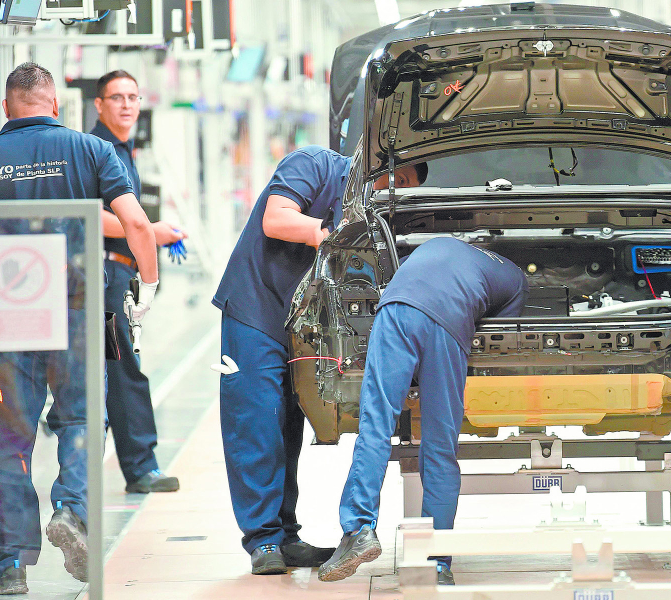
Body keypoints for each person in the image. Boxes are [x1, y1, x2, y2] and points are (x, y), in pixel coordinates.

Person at [0, 63, 159, 594]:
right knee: (81, 420)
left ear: (6, 108)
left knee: (9, 438)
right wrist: (149, 285)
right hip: (75, 308)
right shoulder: (91, 151)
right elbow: (137, 223)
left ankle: (8, 564)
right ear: (55, 105)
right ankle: (71, 510)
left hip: (9, 316)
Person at [212, 145, 427, 575]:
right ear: (381, 163)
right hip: (257, 310)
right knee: (256, 421)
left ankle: (285, 535)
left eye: (405, 189)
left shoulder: (374, 214)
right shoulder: (314, 164)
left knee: (290, 424)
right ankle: (262, 540)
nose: (395, 191)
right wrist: (327, 233)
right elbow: (276, 219)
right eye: (399, 180)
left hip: (306, 324)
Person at [318, 237, 527, 585]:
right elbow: (500, 343)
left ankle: (358, 531)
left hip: (396, 309)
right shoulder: (516, 279)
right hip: (449, 323)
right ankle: (438, 562)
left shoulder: (437, 243)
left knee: (375, 428)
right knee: (440, 448)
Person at [90, 69, 186, 494]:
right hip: (107, 276)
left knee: (118, 365)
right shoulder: (97, 149)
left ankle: (131, 463)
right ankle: (140, 466)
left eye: (132, 97)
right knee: (121, 364)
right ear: (99, 105)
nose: (127, 105)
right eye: (117, 97)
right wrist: (148, 232)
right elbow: (94, 214)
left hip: (120, 273)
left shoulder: (124, 151)